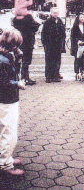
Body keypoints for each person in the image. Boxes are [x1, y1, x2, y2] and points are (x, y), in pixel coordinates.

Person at [0, 29, 26, 175]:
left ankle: (5, 157)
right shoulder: (3, 61)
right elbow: (3, 82)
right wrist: (17, 84)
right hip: (7, 101)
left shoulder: (5, 56)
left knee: (4, 131)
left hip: (5, 100)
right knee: (9, 134)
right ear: (13, 45)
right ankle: (5, 164)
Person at [12, 0, 40, 85]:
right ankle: (25, 77)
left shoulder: (16, 18)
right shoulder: (28, 17)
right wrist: (38, 23)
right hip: (27, 41)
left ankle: (17, 78)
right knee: (26, 60)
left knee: (18, 60)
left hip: (19, 42)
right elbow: (34, 27)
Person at [41, 7, 66, 83]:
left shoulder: (60, 21)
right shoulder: (47, 22)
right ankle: (48, 76)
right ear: (51, 13)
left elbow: (63, 33)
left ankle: (56, 75)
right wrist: (45, 44)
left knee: (57, 61)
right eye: (54, 13)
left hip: (58, 45)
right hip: (49, 45)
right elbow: (43, 34)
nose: (55, 14)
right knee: (49, 61)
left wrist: (62, 44)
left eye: (57, 13)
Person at [70, 13, 84, 80]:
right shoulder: (75, 27)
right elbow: (72, 36)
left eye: (83, 17)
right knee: (77, 59)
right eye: (80, 17)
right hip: (77, 45)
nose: (82, 18)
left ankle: (81, 71)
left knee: (83, 59)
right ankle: (77, 72)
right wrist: (77, 41)